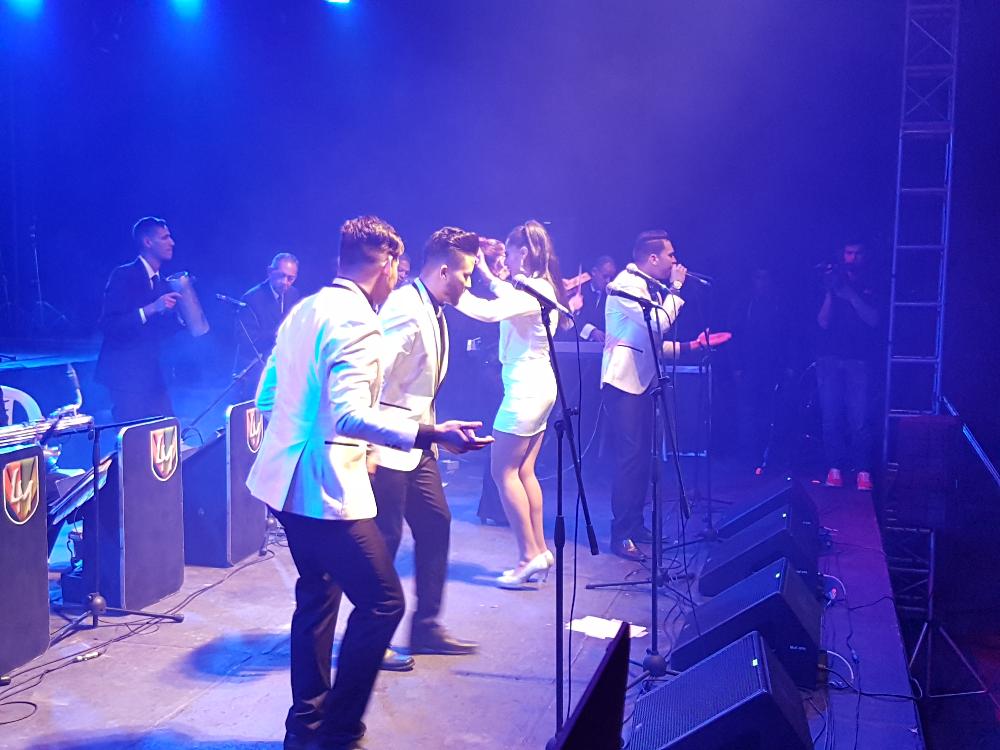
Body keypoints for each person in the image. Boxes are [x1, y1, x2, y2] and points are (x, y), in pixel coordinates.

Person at [246, 216, 491, 750]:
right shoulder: (358, 321)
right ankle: (339, 732)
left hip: (283, 482)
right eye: (397, 269)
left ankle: (305, 728)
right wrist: (431, 433)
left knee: (318, 597)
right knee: (383, 603)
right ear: (386, 265)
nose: (398, 278)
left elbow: (265, 397)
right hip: (327, 486)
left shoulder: (304, 309)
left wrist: (298, 434)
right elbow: (352, 415)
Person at [371, 227, 482, 668]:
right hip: (387, 443)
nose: (468, 283)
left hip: (418, 445)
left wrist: (435, 437)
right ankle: (372, 638)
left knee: (436, 522)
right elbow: (372, 378)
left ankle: (426, 628)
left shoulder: (432, 309)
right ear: (443, 271)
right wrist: (370, 447)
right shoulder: (404, 308)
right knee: (385, 540)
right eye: (466, 275)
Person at [601, 230, 729, 561]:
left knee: (644, 459)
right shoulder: (626, 286)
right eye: (670, 255)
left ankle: (635, 524)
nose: (675, 260)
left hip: (643, 382)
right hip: (623, 383)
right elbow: (659, 324)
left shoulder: (645, 288)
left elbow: (653, 344)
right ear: (653, 258)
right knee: (630, 459)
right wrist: (676, 289)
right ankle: (620, 533)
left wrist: (693, 346)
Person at [456, 220, 568, 588]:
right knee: (525, 472)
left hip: (525, 390)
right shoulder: (541, 287)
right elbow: (507, 292)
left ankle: (527, 556)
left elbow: (489, 312)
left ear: (523, 251)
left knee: (502, 472)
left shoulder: (530, 292)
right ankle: (539, 551)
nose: (507, 258)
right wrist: (488, 275)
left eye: (509, 251)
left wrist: (452, 290)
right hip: (540, 386)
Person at [95, 217, 183, 421]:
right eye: (165, 237)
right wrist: (152, 308)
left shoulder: (162, 282)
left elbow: (157, 332)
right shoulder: (123, 275)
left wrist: (182, 319)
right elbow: (109, 325)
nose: (172, 243)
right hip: (124, 374)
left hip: (151, 373)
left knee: (167, 427)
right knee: (134, 433)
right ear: (148, 242)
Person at [815, 242, 879, 491]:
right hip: (830, 358)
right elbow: (822, 322)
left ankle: (862, 469)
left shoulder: (872, 283)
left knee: (859, 418)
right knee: (831, 416)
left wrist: (851, 295)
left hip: (858, 359)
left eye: (857, 253)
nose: (852, 258)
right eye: (848, 253)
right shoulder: (831, 282)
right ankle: (835, 468)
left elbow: (874, 320)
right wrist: (831, 292)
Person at [233, 252, 302, 402]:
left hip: (284, 370)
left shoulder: (294, 294)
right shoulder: (251, 298)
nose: (285, 282)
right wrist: (277, 334)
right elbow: (245, 339)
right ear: (270, 272)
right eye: (281, 276)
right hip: (255, 371)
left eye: (290, 278)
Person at [572, 255, 618, 343]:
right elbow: (569, 320)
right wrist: (591, 331)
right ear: (594, 271)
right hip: (576, 343)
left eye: (611, 278)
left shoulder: (611, 297)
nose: (608, 281)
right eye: (605, 276)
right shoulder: (579, 290)